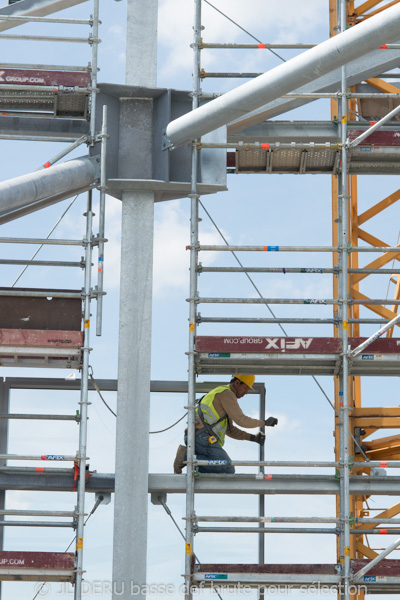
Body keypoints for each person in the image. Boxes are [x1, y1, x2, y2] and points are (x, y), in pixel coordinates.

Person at [173, 374, 278, 474]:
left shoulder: (221, 394)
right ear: (237, 383)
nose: (246, 392)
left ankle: (188, 458)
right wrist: (264, 422)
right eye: (246, 388)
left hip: (198, 437)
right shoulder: (227, 394)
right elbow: (241, 420)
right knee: (227, 468)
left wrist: (252, 438)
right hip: (202, 437)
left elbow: (230, 430)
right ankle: (186, 457)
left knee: (222, 467)